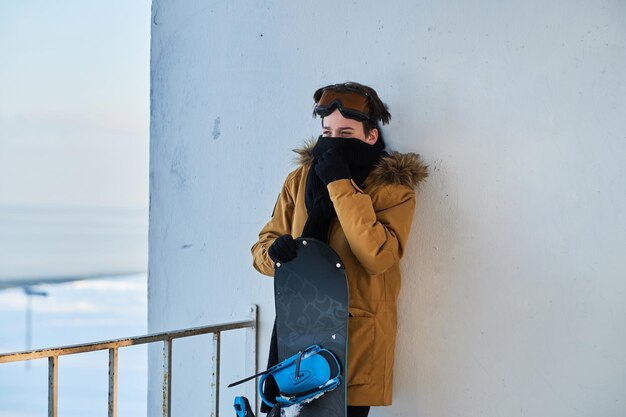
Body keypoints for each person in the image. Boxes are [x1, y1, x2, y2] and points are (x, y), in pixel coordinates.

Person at [251, 81, 428, 417]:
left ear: (371, 136)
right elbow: (261, 248)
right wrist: (275, 254)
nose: (332, 143)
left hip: (356, 342)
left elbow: (378, 257)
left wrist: (339, 184)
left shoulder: (392, 189)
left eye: (345, 133)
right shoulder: (299, 181)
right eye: (327, 132)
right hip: (297, 334)